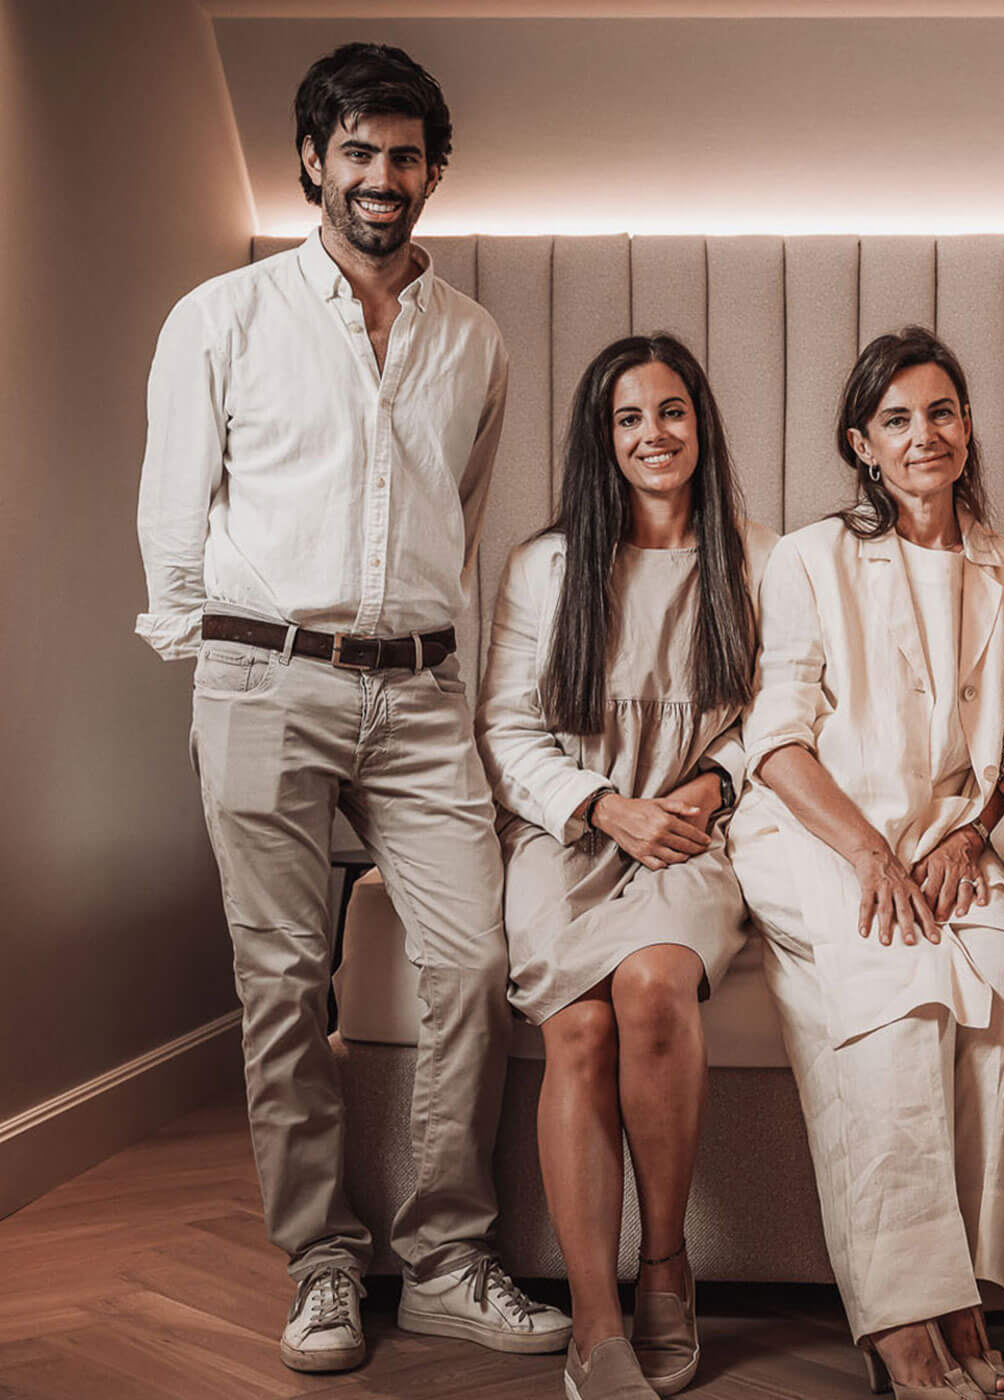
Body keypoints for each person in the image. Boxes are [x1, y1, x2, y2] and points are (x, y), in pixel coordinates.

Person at [133, 42, 568, 1374]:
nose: (384, 176)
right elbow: (171, 517)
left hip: (422, 695)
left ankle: (444, 1259)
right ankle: (322, 1261)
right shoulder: (223, 317)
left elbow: (459, 517)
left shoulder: (476, 340)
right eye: (360, 152)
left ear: (434, 173)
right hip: (263, 679)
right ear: (313, 163)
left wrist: (434, 661)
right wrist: (223, 656)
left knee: (474, 962)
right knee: (281, 981)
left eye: (406, 156)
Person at [726, 326, 1004, 1400]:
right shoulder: (811, 557)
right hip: (820, 830)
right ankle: (904, 1322)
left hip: (951, 838)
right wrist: (871, 852)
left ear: (968, 426)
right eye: (896, 420)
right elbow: (776, 739)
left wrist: (966, 836)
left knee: (1003, 986)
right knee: (901, 996)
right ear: (862, 444)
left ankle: (965, 1297)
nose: (924, 435)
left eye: (941, 411)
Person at [478, 334, 772, 1399]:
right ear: (601, 438)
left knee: (651, 986)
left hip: (691, 831)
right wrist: (604, 806)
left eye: (673, 411)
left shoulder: (758, 556)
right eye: (630, 417)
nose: (655, 434)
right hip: (569, 833)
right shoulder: (546, 565)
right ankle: (594, 1318)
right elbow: (506, 730)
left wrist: (713, 787)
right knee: (581, 1025)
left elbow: (784, 712)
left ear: (702, 423)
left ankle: (665, 1267)